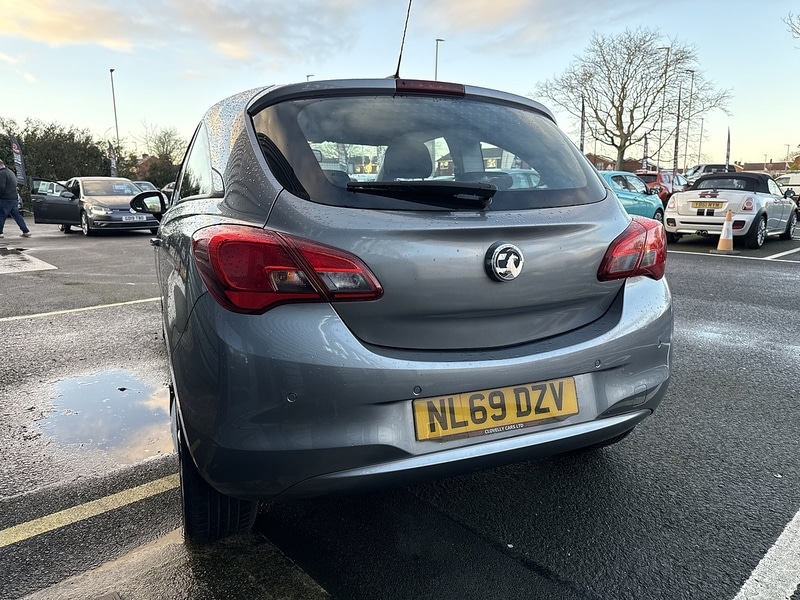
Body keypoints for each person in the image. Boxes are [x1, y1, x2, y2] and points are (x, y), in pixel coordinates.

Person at [0, 158, 31, 238]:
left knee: (1, 215)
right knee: (17, 215)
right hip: (14, 198)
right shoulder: (10, 172)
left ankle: (0, 232)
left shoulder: (2, 173)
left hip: (5, 198)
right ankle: (26, 231)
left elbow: (1, 187)